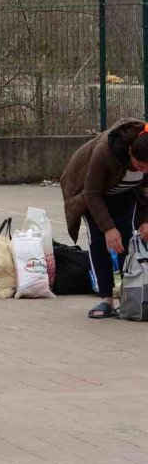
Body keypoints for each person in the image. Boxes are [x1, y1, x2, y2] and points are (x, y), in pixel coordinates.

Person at [60, 119, 148, 319]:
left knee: (128, 239)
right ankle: (106, 297)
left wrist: (145, 220)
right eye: (139, 165)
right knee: (99, 240)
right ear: (130, 152)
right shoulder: (106, 151)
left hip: (126, 192)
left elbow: (146, 191)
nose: (144, 170)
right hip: (92, 194)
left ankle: (129, 296)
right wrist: (108, 228)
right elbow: (92, 193)